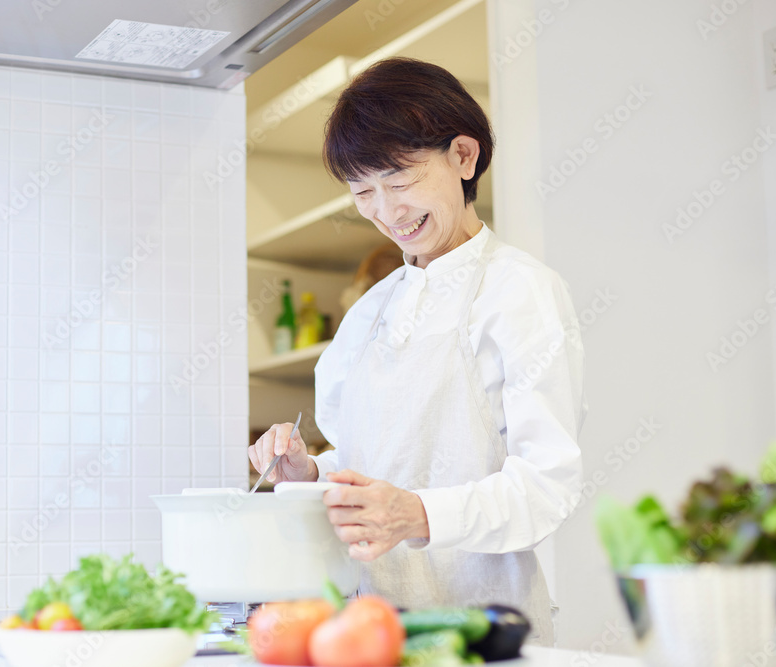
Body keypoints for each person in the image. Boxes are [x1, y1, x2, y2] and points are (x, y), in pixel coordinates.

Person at [248, 57, 585, 646]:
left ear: (463, 156)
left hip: (482, 629)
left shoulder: (521, 292)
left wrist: (417, 515)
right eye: (363, 192)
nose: (387, 212)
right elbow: (368, 459)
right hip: (363, 627)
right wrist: (309, 471)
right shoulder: (369, 312)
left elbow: (545, 486)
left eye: (400, 181)